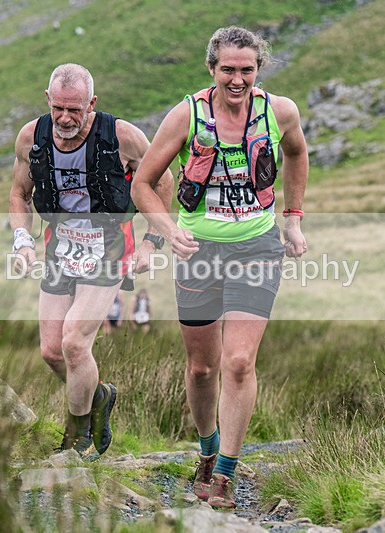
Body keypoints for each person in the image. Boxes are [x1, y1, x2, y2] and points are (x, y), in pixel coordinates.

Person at [131, 27, 309, 508]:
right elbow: (144, 184)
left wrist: (292, 220)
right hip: (199, 252)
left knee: (238, 361)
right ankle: (207, 449)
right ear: (211, 69)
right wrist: (169, 231)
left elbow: (295, 152)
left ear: (259, 70)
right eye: (228, 69)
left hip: (257, 248)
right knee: (203, 366)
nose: (237, 79)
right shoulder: (185, 115)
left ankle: (224, 473)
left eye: (246, 70)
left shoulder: (280, 111)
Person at [9, 63, 173, 461]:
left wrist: (153, 242)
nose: (65, 118)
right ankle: (98, 394)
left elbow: (164, 181)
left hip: (111, 245)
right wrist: (21, 241)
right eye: (59, 108)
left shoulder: (122, 136)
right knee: (51, 351)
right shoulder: (32, 136)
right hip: (59, 247)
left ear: (91, 104)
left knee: (74, 343)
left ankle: (78, 434)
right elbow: (19, 192)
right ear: (48, 100)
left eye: (75, 110)